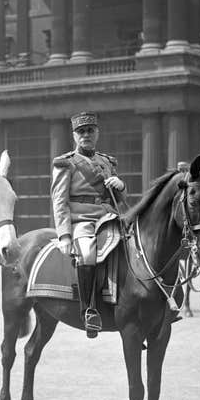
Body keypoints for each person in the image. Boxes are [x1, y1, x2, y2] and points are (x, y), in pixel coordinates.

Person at [51, 112, 127, 338]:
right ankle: (89, 311)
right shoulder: (65, 163)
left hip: (110, 218)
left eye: (90, 131)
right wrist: (64, 235)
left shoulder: (107, 162)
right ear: (74, 135)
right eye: (81, 131)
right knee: (87, 254)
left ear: (97, 133)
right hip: (82, 221)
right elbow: (59, 201)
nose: (85, 135)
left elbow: (119, 199)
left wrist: (120, 185)